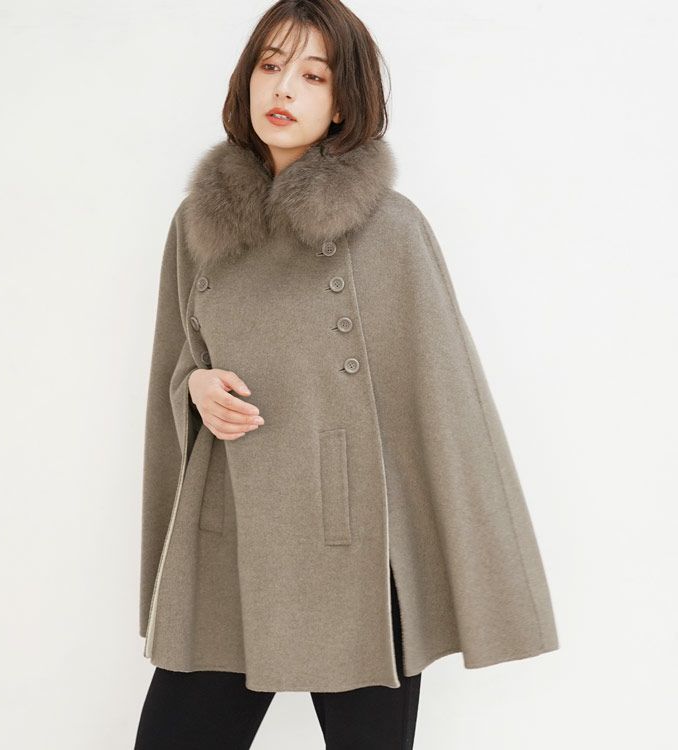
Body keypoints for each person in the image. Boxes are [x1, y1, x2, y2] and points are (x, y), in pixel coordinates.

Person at [135, 1, 559, 748]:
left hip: (358, 552)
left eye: (313, 74)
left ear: (342, 103)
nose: (283, 88)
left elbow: (445, 401)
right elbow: (178, 363)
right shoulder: (198, 222)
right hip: (230, 539)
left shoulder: (389, 227)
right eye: (270, 66)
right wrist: (195, 389)